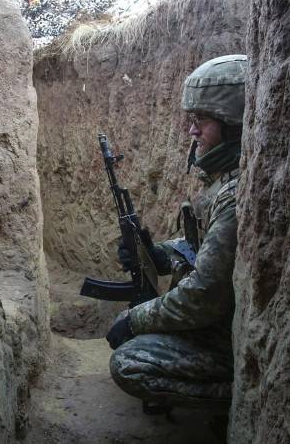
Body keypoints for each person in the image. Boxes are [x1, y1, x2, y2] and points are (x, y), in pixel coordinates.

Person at [105, 54, 248, 410]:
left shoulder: (234, 196)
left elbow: (204, 295)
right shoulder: (221, 181)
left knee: (128, 362)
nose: (192, 131)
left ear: (234, 125)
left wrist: (136, 320)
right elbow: (200, 249)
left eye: (202, 122)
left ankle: (235, 398)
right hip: (211, 323)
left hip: (219, 336)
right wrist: (160, 254)